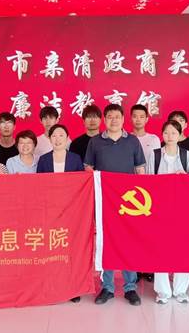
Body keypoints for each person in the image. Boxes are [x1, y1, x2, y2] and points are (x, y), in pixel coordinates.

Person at [84, 104, 145, 306]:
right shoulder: (95, 142)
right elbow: (88, 169)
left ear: (123, 119)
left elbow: (140, 169)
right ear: (105, 119)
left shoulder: (133, 141)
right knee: (106, 242)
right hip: (105, 200)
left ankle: (130, 287)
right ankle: (107, 287)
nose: (113, 120)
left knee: (129, 242)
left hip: (129, 202)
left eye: (117, 116)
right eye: (109, 116)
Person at [147, 120, 189, 304]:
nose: (170, 136)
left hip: (183, 210)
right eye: (166, 133)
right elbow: (148, 182)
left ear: (180, 135)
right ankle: (163, 291)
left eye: (174, 133)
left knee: (183, 248)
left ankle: (181, 290)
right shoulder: (154, 155)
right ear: (162, 134)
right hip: (160, 209)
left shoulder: (186, 155)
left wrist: (185, 179)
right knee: (160, 249)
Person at [131, 104, 161, 174]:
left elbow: (158, 162)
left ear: (146, 119)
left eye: (141, 117)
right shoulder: (126, 139)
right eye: (135, 116)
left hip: (150, 178)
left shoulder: (154, 139)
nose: (138, 120)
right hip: (130, 178)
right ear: (131, 118)